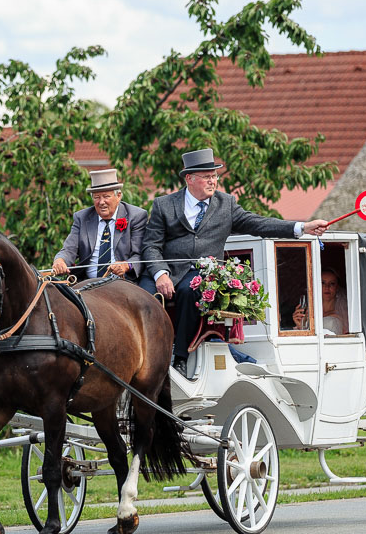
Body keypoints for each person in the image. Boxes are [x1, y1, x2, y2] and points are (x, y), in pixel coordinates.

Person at [140, 148, 330, 376]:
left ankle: (180, 357)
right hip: (168, 268)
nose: (213, 181)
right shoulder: (164, 204)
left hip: (202, 272)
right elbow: (151, 245)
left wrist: (301, 227)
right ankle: (145, 355)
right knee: (141, 297)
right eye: (207, 177)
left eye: (215, 176)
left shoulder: (226, 204)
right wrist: (160, 273)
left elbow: (258, 224)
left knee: (188, 292)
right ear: (189, 179)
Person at [52, 169, 146, 282]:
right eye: (96, 197)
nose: (101, 202)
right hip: (86, 284)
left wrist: (126, 265)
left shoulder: (136, 216)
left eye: (106, 196)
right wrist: (60, 260)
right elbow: (69, 249)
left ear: (119, 196)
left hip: (121, 283)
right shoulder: (82, 217)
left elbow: (140, 255)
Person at [294, 268, 348, 334]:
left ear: (337, 288)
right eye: (322, 283)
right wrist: (300, 326)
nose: (327, 287)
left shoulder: (344, 314)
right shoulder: (309, 313)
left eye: (332, 283)